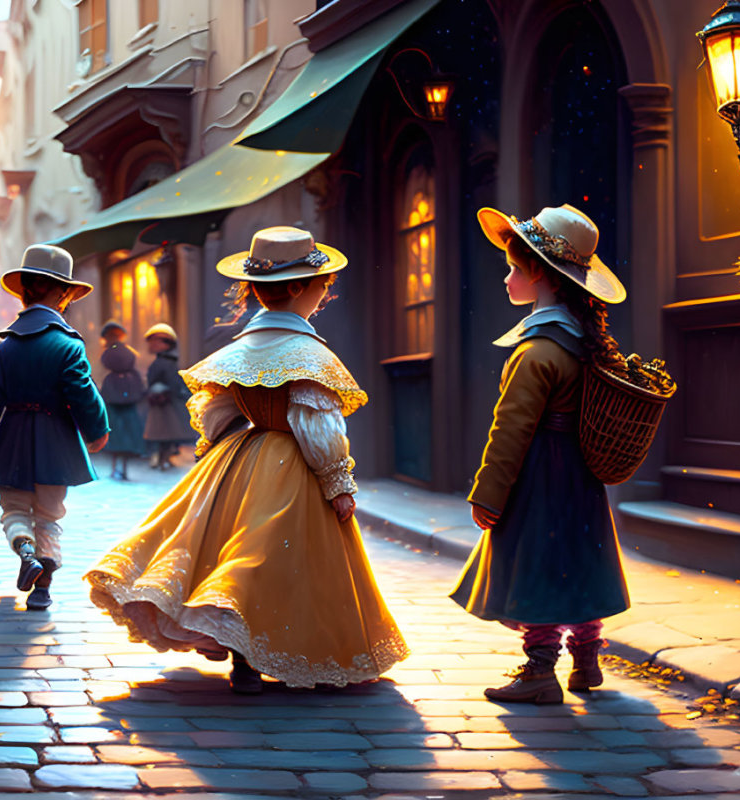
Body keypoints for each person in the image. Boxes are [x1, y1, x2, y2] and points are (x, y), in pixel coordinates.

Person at [86, 226, 408, 694]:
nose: (324, 293)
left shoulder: (239, 350)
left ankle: (244, 660)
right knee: (277, 561)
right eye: (322, 286)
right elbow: (316, 425)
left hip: (242, 453)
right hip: (292, 463)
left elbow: (218, 411)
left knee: (241, 552)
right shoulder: (307, 353)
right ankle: (289, 649)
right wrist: (337, 481)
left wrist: (219, 454)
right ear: (299, 288)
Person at [450, 204, 631, 704]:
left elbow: (509, 430)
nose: (507, 277)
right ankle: (587, 660)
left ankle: (539, 670)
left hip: (539, 478)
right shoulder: (582, 343)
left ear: (538, 273)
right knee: (576, 561)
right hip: (579, 477)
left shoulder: (536, 353)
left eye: (513, 267)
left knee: (538, 567)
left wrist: (488, 494)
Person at [0, 244, 109, 611]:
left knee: (14, 510)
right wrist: (97, 430)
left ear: (26, 291)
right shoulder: (67, 344)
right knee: (49, 514)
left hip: (11, 439)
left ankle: (25, 552)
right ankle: (43, 588)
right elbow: (82, 392)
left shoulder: (6, 348)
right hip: (55, 443)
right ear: (62, 292)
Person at [98, 321, 145, 480]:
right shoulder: (127, 355)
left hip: (116, 401)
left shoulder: (113, 353)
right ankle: (120, 468)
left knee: (116, 433)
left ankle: (116, 469)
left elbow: (106, 361)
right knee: (123, 434)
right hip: (124, 401)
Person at [142, 323, 191, 470]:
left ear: (165, 344)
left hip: (165, 404)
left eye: (156, 341)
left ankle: (163, 459)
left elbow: (172, 383)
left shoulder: (164, 363)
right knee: (163, 434)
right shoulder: (165, 362)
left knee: (164, 433)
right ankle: (162, 458)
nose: (152, 345)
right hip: (162, 403)